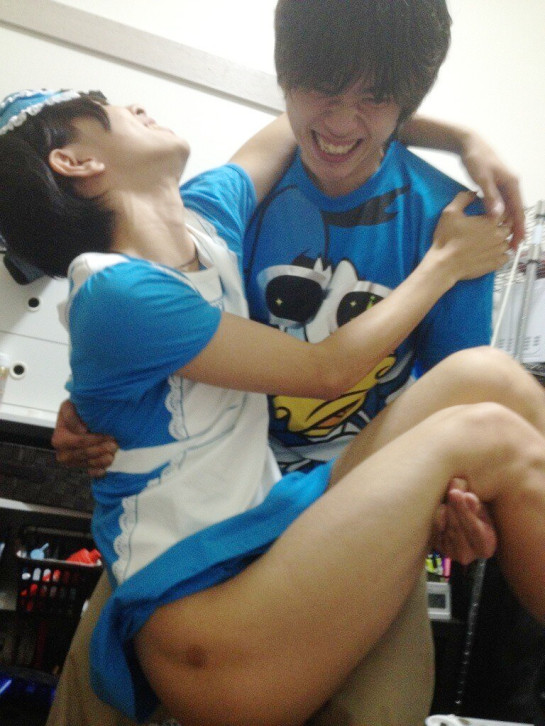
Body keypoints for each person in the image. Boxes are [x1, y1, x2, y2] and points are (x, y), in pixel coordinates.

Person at [44, 0, 530, 724]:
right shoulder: (217, 210)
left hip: (355, 501)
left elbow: (456, 410)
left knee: (379, 710)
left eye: (375, 97)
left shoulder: (451, 223)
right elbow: (142, 338)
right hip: (200, 520)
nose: (339, 123)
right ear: (285, 77)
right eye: (319, 88)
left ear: (404, 99)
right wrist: (88, 408)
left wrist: (456, 508)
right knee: (99, 699)